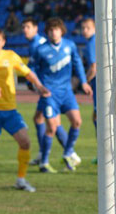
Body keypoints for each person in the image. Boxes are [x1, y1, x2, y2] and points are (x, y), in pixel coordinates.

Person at [0, 28, 50, 192]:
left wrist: (40, 86)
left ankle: (21, 180)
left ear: (3, 42)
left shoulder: (11, 56)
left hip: (10, 111)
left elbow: (28, 73)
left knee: (25, 143)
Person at [32, 18, 92, 172]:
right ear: (47, 32)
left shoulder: (69, 45)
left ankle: (67, 152)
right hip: (49, 94)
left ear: (61, 31)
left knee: (77, 121)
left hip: (66, 92)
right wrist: (38, 86)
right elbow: (32, 70)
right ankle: (44, 162)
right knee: (51, 127)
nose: (54, 32)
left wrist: (84, 82)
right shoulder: (41, 49)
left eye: (56, 29)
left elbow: (77, 64)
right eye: (51, 30)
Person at [23, 18, 67, 168]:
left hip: (48, 89)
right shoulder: (35, 43)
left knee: (52, 122)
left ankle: (68, 152)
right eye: (24, 27)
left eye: (28, 27)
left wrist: (34, 83)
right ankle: (58, 152)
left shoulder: (39, 44)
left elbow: (36, 66)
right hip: (45, 87)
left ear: (36, 28)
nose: (25, 30)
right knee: (40, 119)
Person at [79, 18, 97, 163]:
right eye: (83, 28)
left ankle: (103, 153)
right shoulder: (97, 40)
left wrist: (84, 81)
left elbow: (94, 67)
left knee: (99, 118)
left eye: (88, 28)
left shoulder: (91, 43)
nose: (85, 31)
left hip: (99, 84)